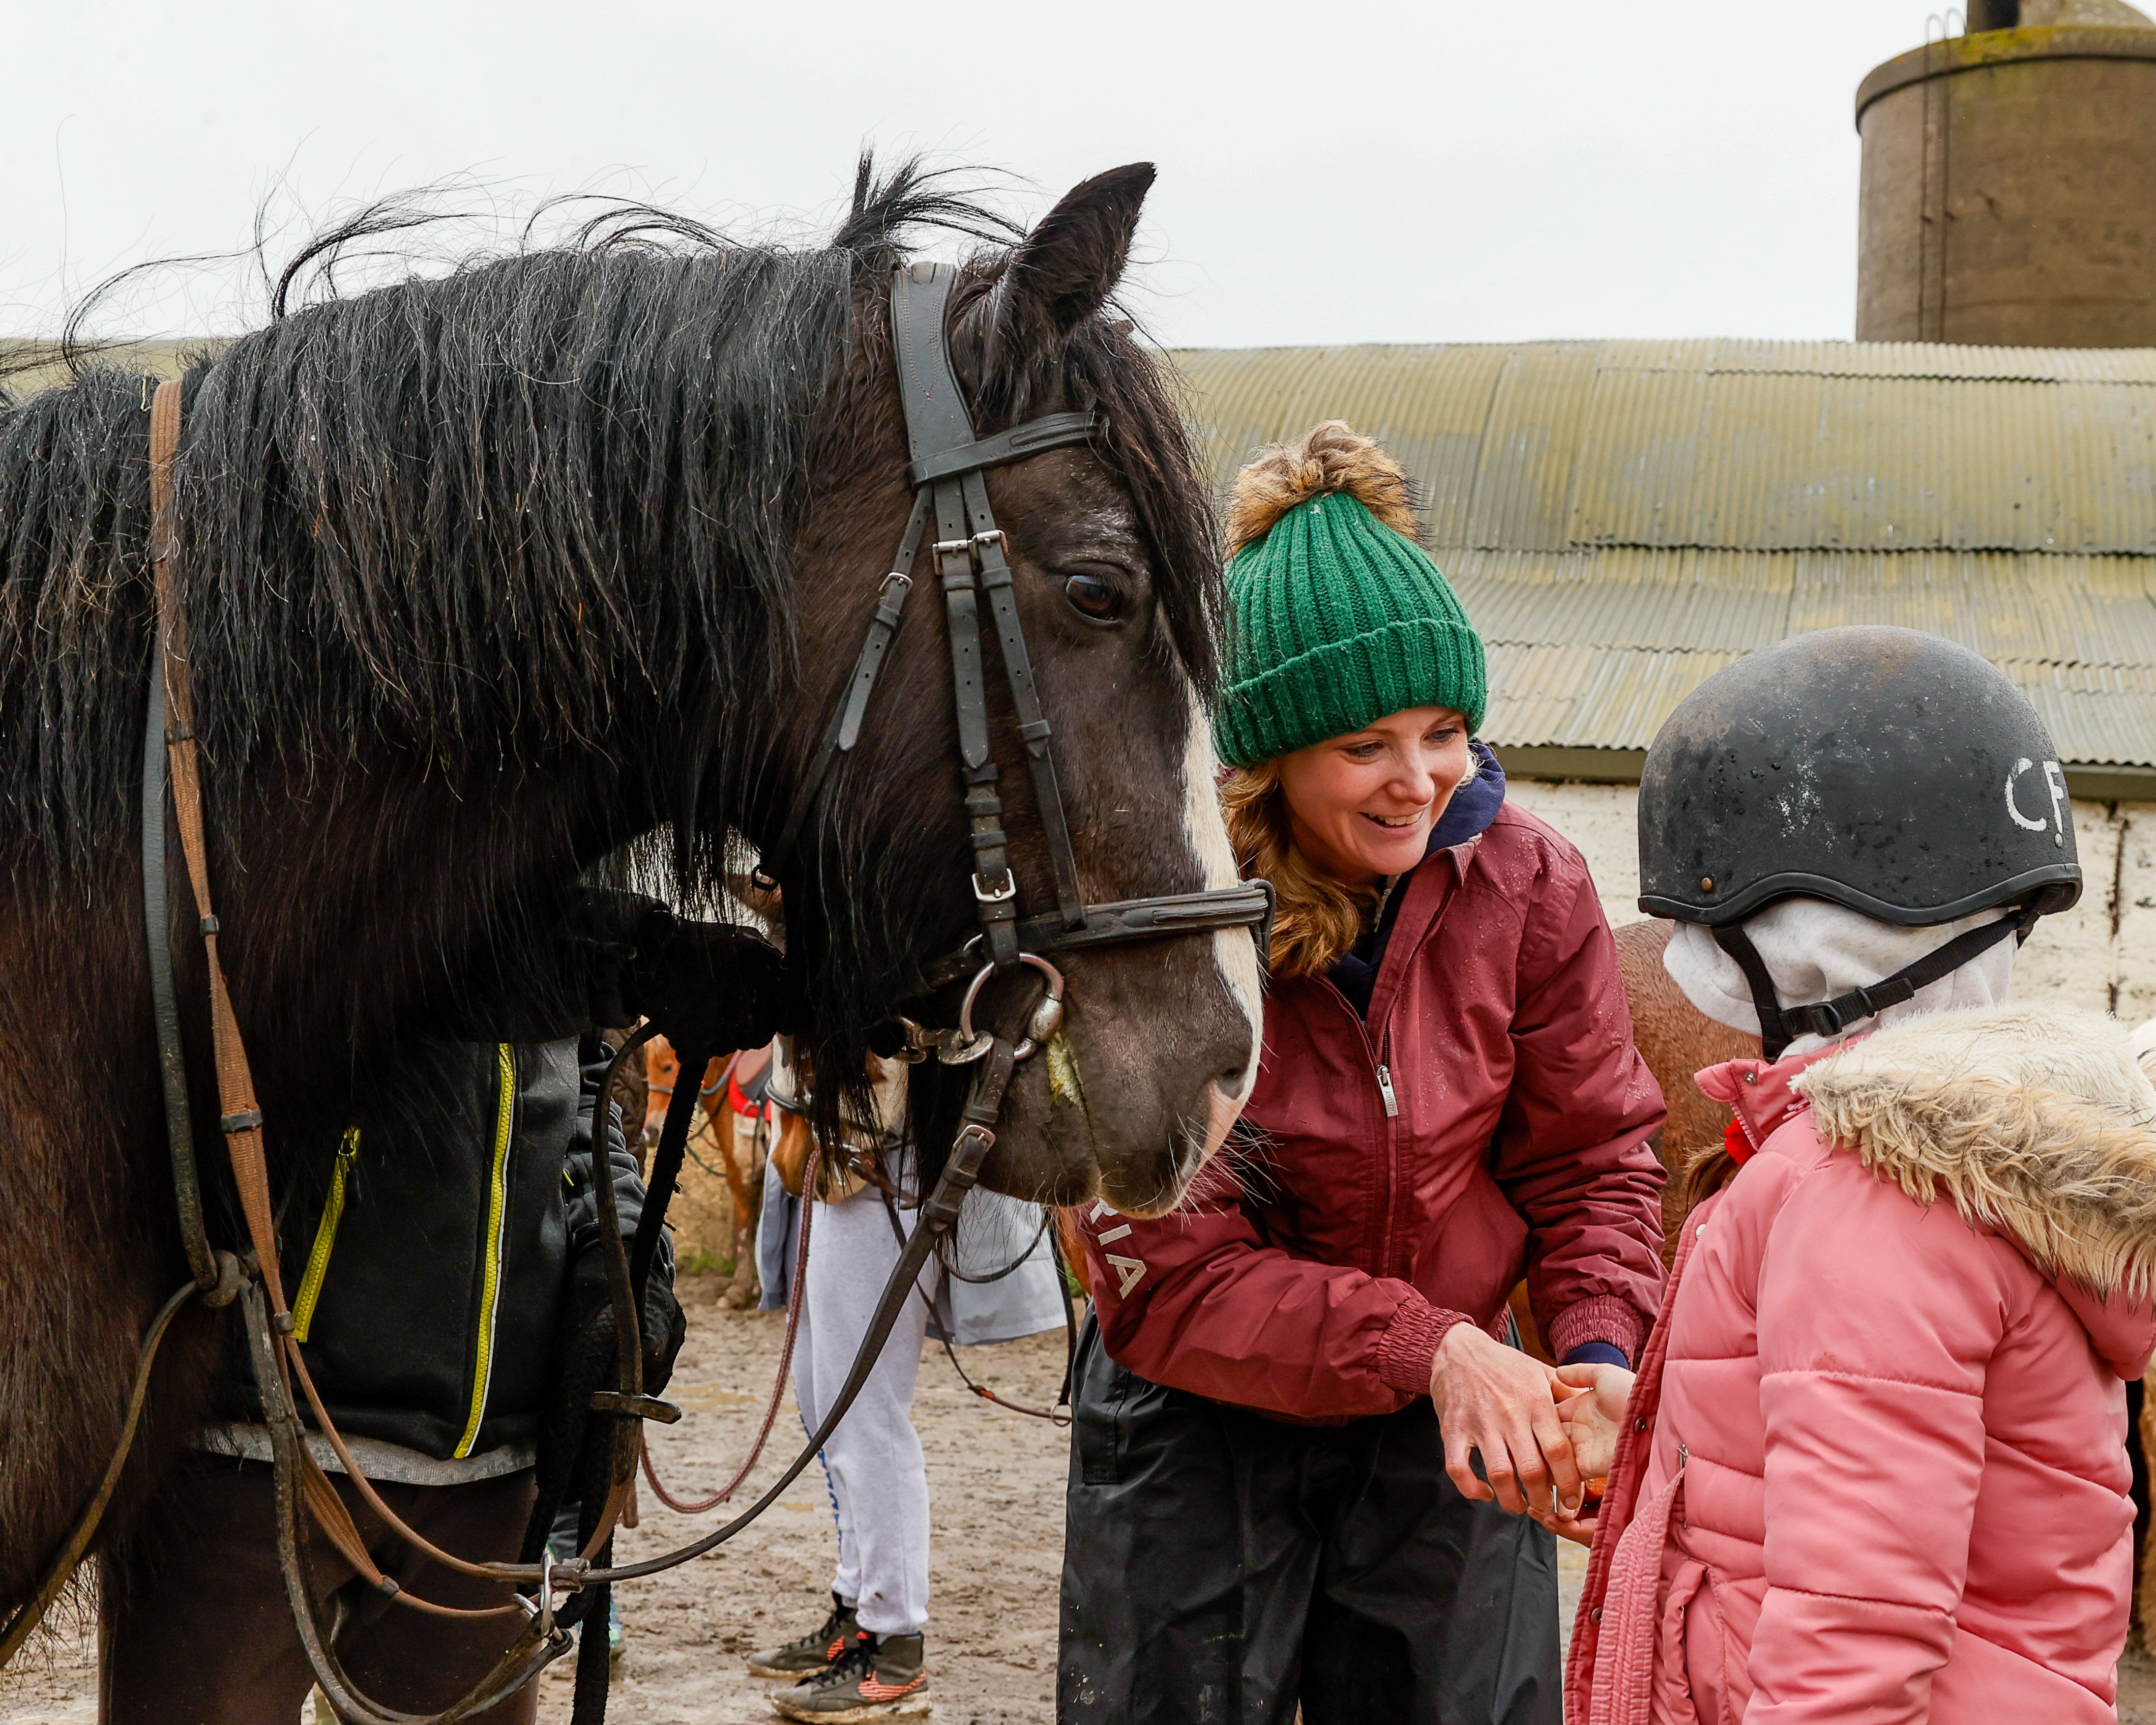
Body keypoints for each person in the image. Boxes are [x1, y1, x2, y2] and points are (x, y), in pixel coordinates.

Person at [1057, 422, 1668, 1724]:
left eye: (1443, 730)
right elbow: (1170, 1269)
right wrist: (1428, 1339)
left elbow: (1588, 1158)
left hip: (1455, 1423)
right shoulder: (1162, 919)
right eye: (1364, 745)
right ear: (1268, 753)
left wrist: (1601, 1348)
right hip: (1202, 1423)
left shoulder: (1530, 883)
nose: (1420, 782)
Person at [1560, 625, 2155, 1725]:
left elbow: (1855, 1626)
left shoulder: (1869, 1196)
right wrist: (1662, 1448)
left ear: (1806, 945)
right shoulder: (1981, 1154)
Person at [100, 894, 779, 1724]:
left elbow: (584, 1082)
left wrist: (620, 1252)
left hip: (488, 1479)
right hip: (257, 1442)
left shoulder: (567, 822)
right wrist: (628, 956)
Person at [750, 1040, 1070, 1721]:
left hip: (886, 1157)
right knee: (823, 1398)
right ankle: (858, 1610)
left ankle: (895, 1646)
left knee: (864, 1414)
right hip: (837, 1142)